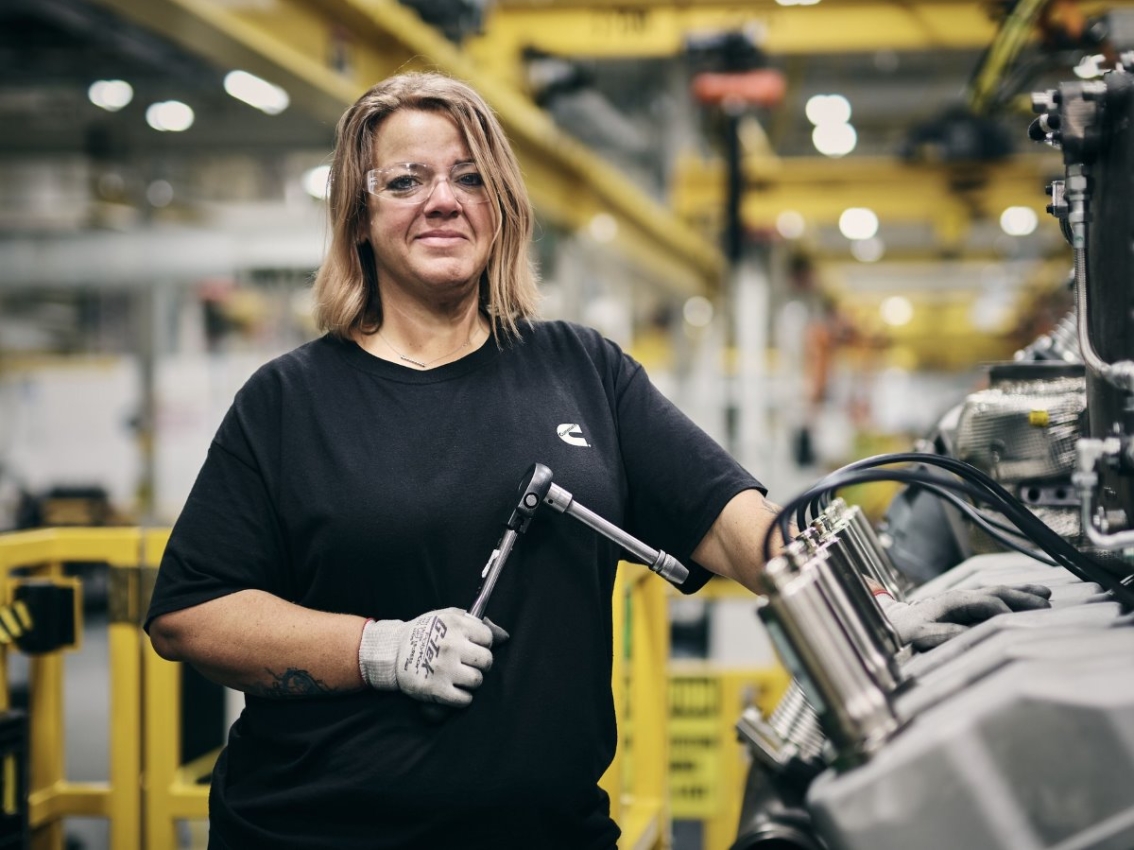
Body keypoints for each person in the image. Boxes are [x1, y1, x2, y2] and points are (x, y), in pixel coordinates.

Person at [143, 71, 1047, 849]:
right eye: (406, 181)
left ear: (502, 206)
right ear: (359, 215)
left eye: (468, 177)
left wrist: (884, 604)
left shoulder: (579, 369)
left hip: (551, 833)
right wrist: (376, 648)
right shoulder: (290, 400)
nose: (442, 200)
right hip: (318, 831)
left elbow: (734, 523)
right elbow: (191, 613)